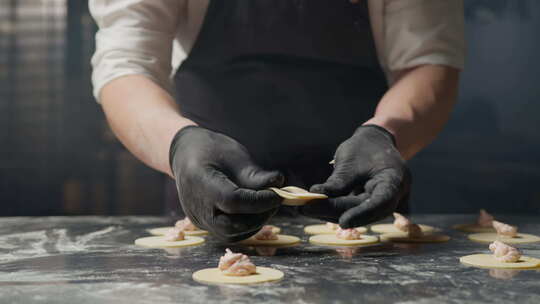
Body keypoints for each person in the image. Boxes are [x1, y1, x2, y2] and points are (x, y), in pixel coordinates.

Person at [89, 0, 464, 242]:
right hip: (210, 188)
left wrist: (388, 133)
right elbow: (125, 66)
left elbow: (428, 62)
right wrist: (179, 145)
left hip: (363, 199)